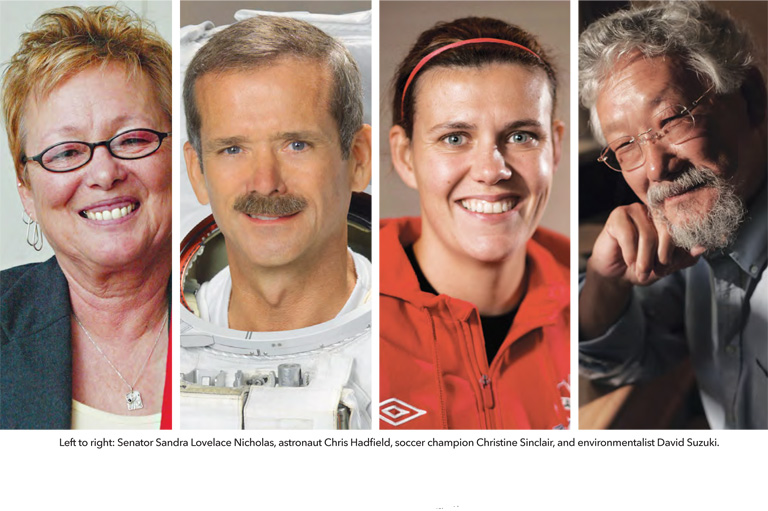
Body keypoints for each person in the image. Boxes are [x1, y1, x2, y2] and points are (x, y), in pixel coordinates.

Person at [579, 1, 767, 429]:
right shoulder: (699, 234)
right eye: (626, 146)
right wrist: (605, 281)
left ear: (751, 98)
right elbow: (623, 360)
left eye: (673, 120)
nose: (654, 168)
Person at [180, 14, 372, 429]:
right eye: (232, 149)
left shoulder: (413, 343)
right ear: (197, 173)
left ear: (358, 158)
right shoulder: (153, 347)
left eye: (296, 144)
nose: (266, 184)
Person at [380, 17, 570, 429]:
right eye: (454, 138)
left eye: (520, 136)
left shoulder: (590, 299)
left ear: (555, 147)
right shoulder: (344, 304)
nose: (491, 170)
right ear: (405, 156)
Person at [0, 6, 172, 429]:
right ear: (26, 192)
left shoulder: (242, 308)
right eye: (67, 152)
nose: (104, 173)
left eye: (132, 139)